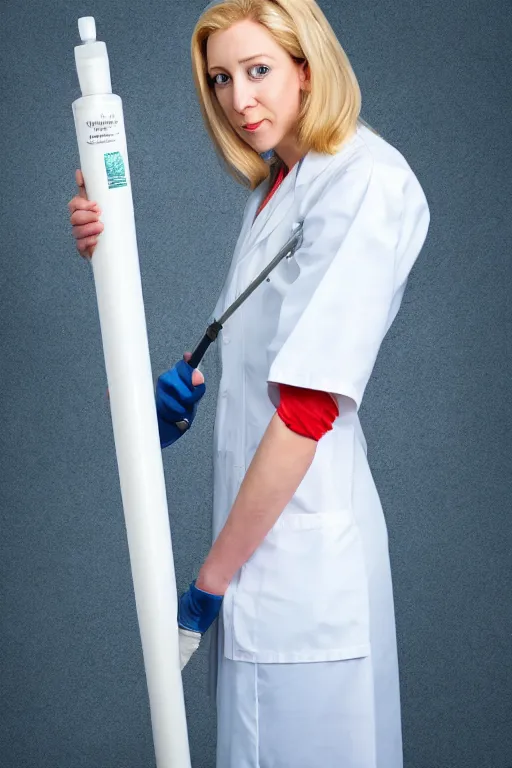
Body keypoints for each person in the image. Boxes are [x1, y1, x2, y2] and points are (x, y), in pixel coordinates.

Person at [67, 0, 430, 765]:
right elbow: (262, 372)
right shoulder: (278, 189)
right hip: (259, 566)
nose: (239, 100)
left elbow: (305, 408)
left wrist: (210, 583)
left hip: (297, 568)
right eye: (221, 78)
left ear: (307, 67)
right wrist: (110, 258)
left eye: (258, 70)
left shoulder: (365, 182)